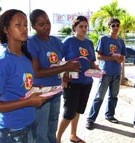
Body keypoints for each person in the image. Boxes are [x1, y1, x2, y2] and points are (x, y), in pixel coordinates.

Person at [27, 9, 80, 143]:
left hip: (56, 90)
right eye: (41, 24)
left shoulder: (56, 41)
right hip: (41, 92)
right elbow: (37, 72)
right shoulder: (31, 43)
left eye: (48, 23)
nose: (46, 27)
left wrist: (65, 74)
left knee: (52, 126)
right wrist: (65, 67)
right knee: (41, 130)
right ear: (33, 27)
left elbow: (59, 64)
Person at [0, 9, 51, 143]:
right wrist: (28, 102)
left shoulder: (26, 58)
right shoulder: (3, 62)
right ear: (6, 29)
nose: (24, 28)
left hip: (30, 122)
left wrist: (35, 87)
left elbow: (19, 85)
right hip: (13, 130)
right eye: (18, 25)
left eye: (25, 25)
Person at [56, 15, 98, 143]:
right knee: (69, 113)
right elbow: (58, 61)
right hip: (72, 83)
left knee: (78, 110)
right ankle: (57, 138)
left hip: (86, 82)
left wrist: (98, 69)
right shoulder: (68, 41)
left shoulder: (89, 43)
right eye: (81, 26)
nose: (84, 29)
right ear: (75, 28)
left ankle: (73, 135)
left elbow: (92, 62)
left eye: (86, 26)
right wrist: (65, 75)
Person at [86, 18, 126, 129]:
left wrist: (119, 59)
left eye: (118, 25)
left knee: (113, 96)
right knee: (99, 97)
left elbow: (123, 57)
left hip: (116, 73)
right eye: (113, 25)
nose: (116, 27)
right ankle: (90, 119)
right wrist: (111, 57)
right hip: (105, 73)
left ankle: (110, 115)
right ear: (109, 27)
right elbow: (98, 56)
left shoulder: (121, 41)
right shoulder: (103, 39)